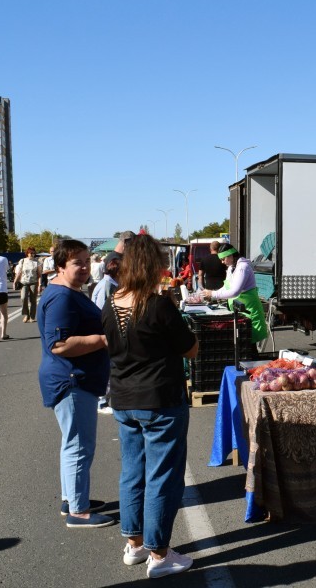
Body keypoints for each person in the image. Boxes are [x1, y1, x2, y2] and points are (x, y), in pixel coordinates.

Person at [101, 233, 198, 578]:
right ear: (152, 265)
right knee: (162, 478)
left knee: (132, 472)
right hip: (159, 400)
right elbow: (190, 348)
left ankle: (135, 544)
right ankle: (159, 555)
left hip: (125, 400)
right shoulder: (158, 305)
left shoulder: (112, 301)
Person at [37, 239, 113, 529]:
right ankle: (79, 512)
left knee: (72, 443)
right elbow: (59, 344)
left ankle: (72, 499)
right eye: (76, 263)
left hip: (73, 379)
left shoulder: (69, 291)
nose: (84, 267)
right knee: (80, 445)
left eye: (86, 260)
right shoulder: (62, 297)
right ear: (60, 266)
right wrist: (105, 340)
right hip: (71, 380)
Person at [202, 243, 268, 344]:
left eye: (223, 259)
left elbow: (235, 291)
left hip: (250, 313)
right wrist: (212, 296)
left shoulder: (243, 267)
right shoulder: (231, 268)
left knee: (249, 346)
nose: (222, 262)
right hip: (240, 313)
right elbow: (226, 287)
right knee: (243, 344)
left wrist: (213, 294)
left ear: (231, 255)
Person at [91, 250, 122, 415]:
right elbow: (103, 312)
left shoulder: (109, 284)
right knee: (107, 368)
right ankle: (102, 402)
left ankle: (104, 400)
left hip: (105, 333)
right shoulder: (107, 286)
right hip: (105, 333)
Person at [13, 247, 41, 323]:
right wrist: (15, 282)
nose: (32, 254)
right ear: (27, 253)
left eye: (33, 253)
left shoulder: (37, 262)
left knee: (33, 301)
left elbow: (39, 275)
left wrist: (39, 285)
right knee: (23, 298)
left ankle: (32, 317)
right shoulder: (22, 261)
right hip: (24, 282)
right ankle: (26, 314)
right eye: (30, 253)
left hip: (33, 282)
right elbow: (19, 272)